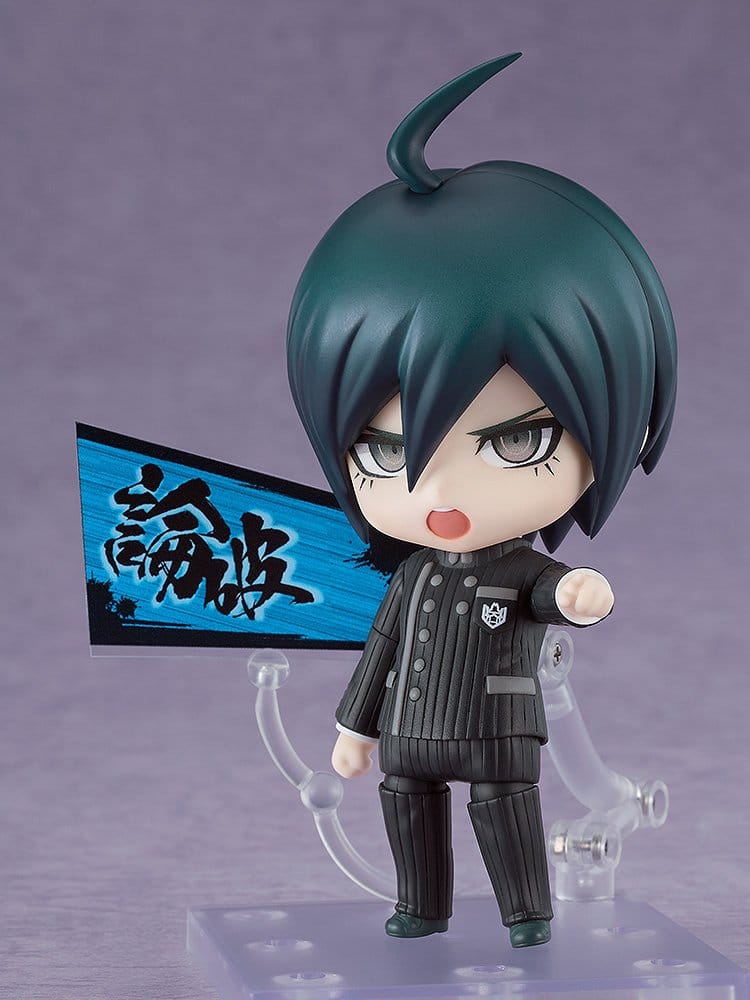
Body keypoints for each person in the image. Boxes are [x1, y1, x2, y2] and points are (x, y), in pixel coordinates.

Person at [286, 53, 677, 949]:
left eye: (514, 443)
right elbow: (382, 649)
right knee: (407, 807)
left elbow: (553, 592)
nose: (438, 492)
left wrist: (578, 593)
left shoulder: (518, 566)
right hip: (411, 735)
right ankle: (420, 907)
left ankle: (527, 913)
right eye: (385, 452)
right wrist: (352, 728)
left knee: (505, 812)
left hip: (499, 730)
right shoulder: (410, 576)